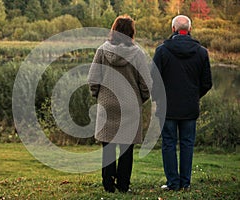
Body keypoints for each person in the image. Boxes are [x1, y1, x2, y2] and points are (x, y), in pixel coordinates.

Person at [87, 15, 151, 193]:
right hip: (130, 105)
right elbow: (146, 83)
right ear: (131, 32)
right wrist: (140, 99)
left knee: (108, 145)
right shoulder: (137, 53)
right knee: (126, 147)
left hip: (107, 103)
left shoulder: (102, 50)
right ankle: (123, 185)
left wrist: (98, 96)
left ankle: (108, 184)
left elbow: (93, 79)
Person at [153, 15, 212, 191]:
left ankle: (173, 183)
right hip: (189, 108)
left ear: (173, 29)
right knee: (187, 144)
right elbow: (207, 83)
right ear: (189, 30)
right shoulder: (202, 52)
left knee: (169, 144)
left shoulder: (162, 51)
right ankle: (185, 183)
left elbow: (153, 80)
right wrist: (194, 96)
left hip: (167, 108)